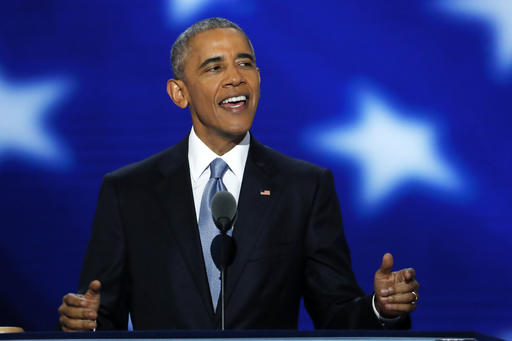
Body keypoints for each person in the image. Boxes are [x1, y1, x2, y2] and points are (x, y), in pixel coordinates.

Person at [58, 17, 419, 331]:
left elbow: (336, 312)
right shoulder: (128, 191)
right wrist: (84, 324)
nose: (235, 78)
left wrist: (380, 309)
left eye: (245, 64)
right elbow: (100, 316)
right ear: (178, 93)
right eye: (214, 68)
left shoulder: (304, 188)